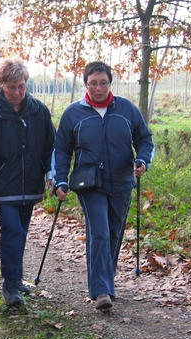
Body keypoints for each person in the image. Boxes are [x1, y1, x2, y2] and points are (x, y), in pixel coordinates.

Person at [53, 61, 155, 311]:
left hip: (121, 181)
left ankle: (106, 283)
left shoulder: (126, 109)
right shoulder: (73, 113)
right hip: (89, 184)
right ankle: (101, 291)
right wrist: (61, 179)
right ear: (85, 84)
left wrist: (142, 160)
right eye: (92, 83)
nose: (98, 88)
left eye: (103, 83)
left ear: (110, 83)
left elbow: (145, 139)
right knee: (99, 232)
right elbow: (62, 150)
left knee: (113, 233)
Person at [0, 58, 55, 308]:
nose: (17, 92)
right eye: (11, 88)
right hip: (2, 186)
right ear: (1, 85)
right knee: (13, 231)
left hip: (30, 185)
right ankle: (9, 285)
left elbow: (51, 145)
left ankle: (16, 279)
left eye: (21, 86)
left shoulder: (39, 111)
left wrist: (51, 174)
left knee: (22, 232)